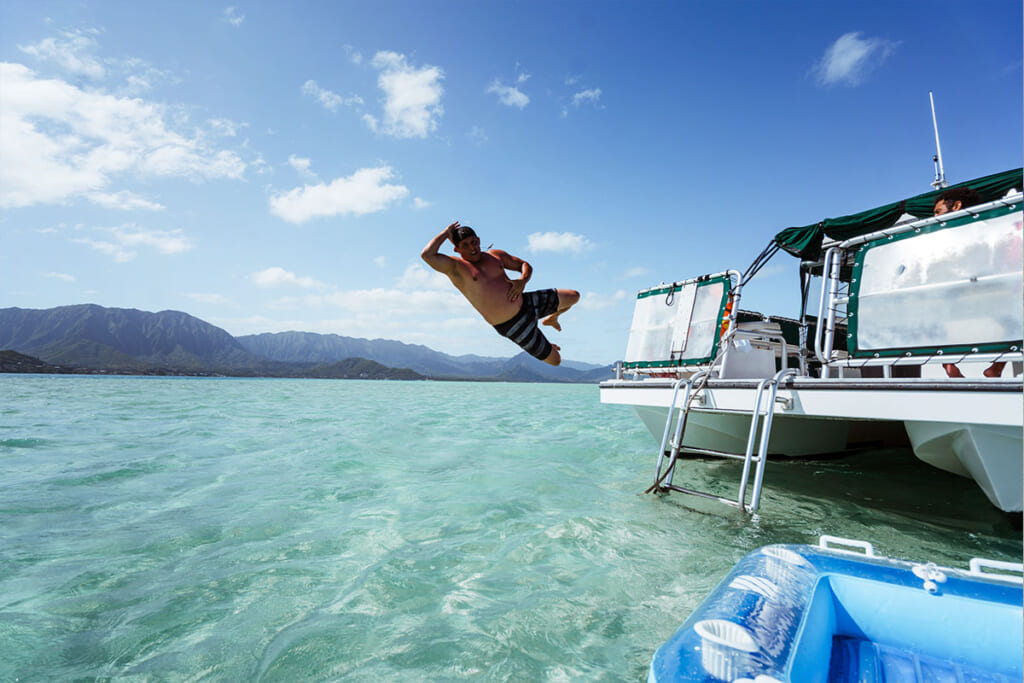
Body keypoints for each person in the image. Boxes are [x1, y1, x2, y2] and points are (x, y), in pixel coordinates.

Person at [421, 221, 580, 366]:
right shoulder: (456, 268)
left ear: (479, 239)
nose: (472, 248)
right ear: (457, 249)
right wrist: (445, 232)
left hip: (527, 302)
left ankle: (552, 319)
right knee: (555, 360)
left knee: (574, 296)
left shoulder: (495, 255)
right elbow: (427, 255)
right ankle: (541, 342)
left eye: (474, 242)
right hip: (513, 325)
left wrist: (523, 280)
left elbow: (524, 264)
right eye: (466, 245)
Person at [933, 187, 1006, 378]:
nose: (934, 219)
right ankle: (953, 366)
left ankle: (994, 368)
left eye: (938, 213)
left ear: (957, 206)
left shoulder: (984, 228)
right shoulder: (941, 238)